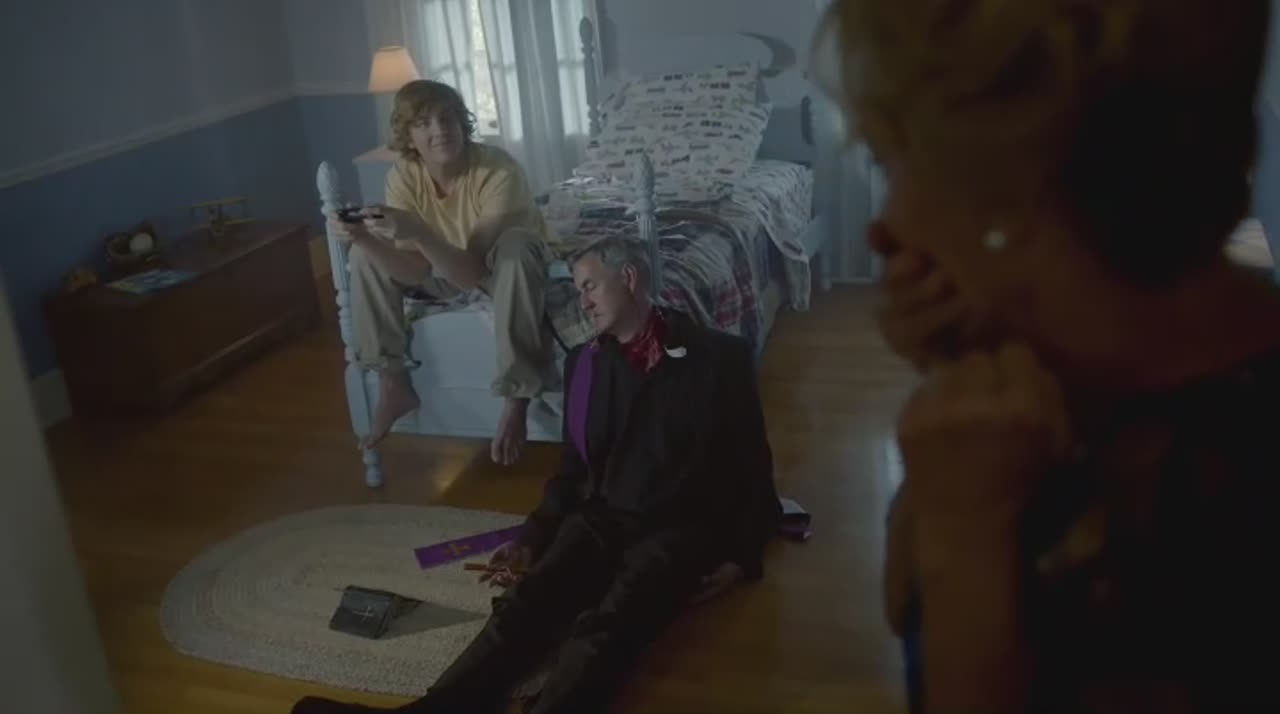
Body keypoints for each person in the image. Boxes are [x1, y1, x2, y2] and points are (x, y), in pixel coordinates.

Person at [816, 1, 1280, 713]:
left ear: (1013, 185)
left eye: (892, 163)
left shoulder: (1214, 503)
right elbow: (905, 601)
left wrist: (967, 535)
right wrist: (962, 366)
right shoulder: (1070, 365)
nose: (884, 228)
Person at [292, 236, 782, 714]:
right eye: (578, 289)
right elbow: (573, 469)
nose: (582, 302)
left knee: (606, 626)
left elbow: (751, 464)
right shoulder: (585, 364)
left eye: (589, 286)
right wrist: (534, 534)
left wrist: (741, 556)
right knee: (525, 604)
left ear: (630, 278)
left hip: (675, 529)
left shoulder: (720, 358)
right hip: (600, 517)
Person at [329, 79, 558, 465]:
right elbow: (415, 270)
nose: (440, 130)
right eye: (424, 123)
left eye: (447, 118)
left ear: (462, 123)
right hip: (444, 266)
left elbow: (471, 274)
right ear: (408, 136)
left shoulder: (498, 169)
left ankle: (517, 397)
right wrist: (364, 239)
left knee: (517, 247)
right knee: (365, 255)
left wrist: (418, 231)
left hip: (498, 270)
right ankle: (393, 381)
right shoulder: (404, 176)